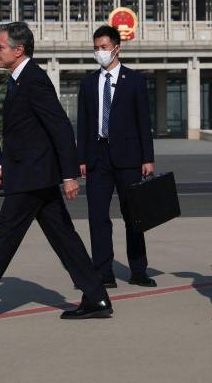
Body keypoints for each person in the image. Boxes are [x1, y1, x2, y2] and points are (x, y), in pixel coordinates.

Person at [0, 22, 112, 323]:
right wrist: (3, 165)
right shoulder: (19, 80)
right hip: (31, 174)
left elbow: (59, 128)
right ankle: (95, 295)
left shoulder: (34, 80)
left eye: (0, 46)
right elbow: (23, 133)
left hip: (33, 176)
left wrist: (69, 175)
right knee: (63, 237)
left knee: (3, 237)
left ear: (18, 50)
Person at [77, 25, 155, 289]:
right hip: (97, 157)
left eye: (104, 47)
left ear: (117, 48)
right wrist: (82, 158)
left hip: (129, 158)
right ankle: (103, 272)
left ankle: (138, 270)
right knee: (97, 216)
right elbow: (84, 124)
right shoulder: (88, 83)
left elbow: (144, 121)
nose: (100, 52)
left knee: (134, 215)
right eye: (96, 48)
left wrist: (147, 158)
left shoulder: (134, 80)